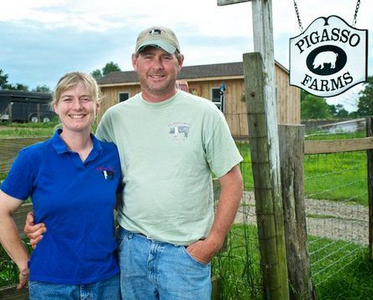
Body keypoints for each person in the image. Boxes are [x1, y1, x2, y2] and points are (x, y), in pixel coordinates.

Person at [26, 26, 243, 300]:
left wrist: (213, 242)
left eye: (166, 57)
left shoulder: (205, 113)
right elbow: (81, 170)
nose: (157, 66)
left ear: (180, 62)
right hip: (130, 249)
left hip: (184, 254)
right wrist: (45, 218)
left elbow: (232, 180)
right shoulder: (115, 118)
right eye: (148, 57)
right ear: (134, 62)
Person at [0, 72, 121, 300]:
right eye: (68, 99)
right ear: (57, 106)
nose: (77, 106)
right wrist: (23, 263)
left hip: (106, 281)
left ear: (97, 106)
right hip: (52, 284)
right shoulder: (33, 158)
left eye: (85, 98)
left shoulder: (112, 155)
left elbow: (122, 204)